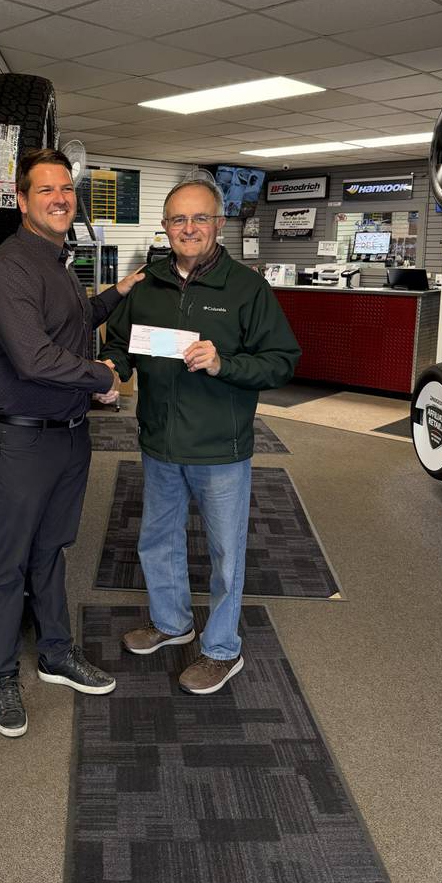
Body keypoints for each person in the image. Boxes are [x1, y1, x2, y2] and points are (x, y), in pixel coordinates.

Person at [101, 177, 300, 695]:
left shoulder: (246, 288)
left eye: (199, 219)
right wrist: (111, 370)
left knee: (226, 554)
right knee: (157, 542)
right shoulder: (148, 283)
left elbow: (282, 361)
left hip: (219, 448)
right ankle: (172, 624)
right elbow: (121, 341)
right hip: (160, 442)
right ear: (166, 227)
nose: (188, 229)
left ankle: (221, 649)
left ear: (218, 223)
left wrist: (224, 363)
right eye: (178, 220)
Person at [0, 147, 144, 738]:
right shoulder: (11, 264)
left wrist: (122, 289)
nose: (59, 198)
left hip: (70, 437)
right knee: (9, 564)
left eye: (66, 190)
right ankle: (1, 674)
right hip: (20, 444)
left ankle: (54, 653)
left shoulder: (58, 259)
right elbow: (34, 356)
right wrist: (104, 377)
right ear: (21, 200)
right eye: (46, 190)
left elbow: (75, 321)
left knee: (52, 551)